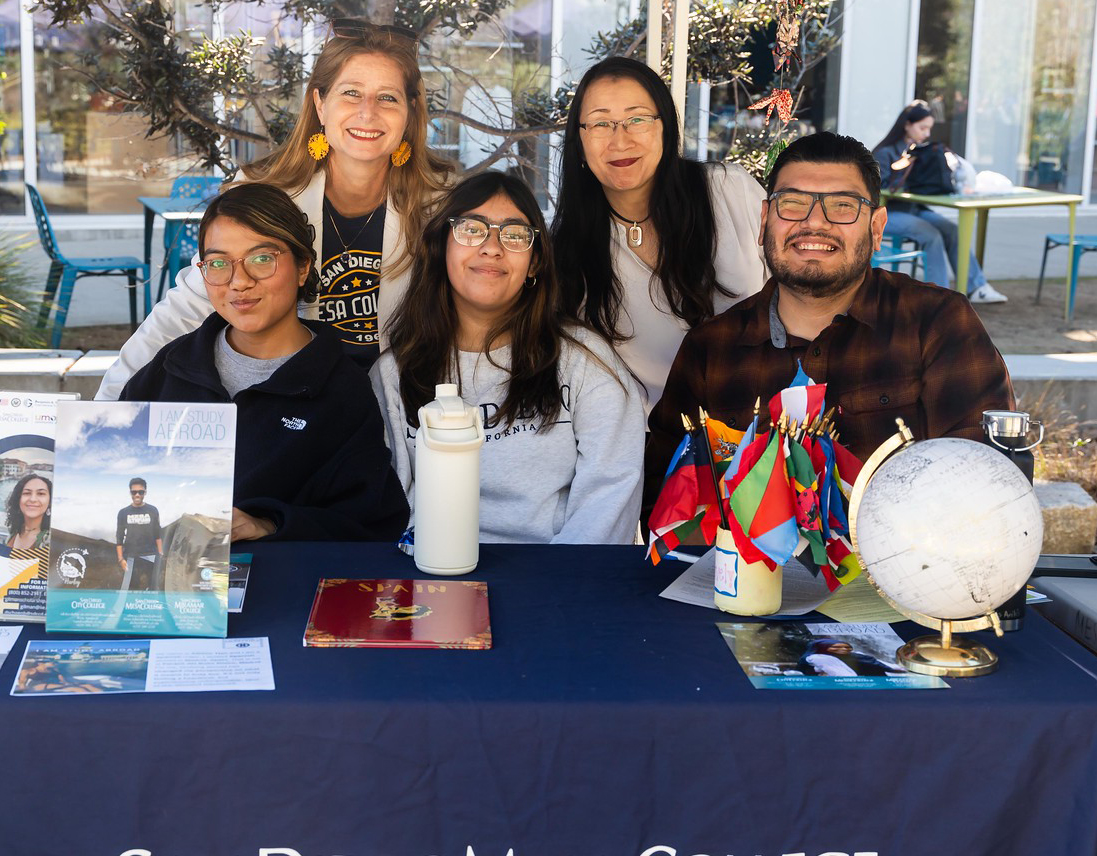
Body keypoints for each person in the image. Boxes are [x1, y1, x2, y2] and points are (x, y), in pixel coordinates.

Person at [644, 131, 1014, 522]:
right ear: (764, 222)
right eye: (793, 204)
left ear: (876, 228)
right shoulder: (710, 350)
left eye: (842, 206)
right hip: (742, 581)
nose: (814, 223)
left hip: (899, 578)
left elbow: (984, 484)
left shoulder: (936, 324)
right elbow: (664, 506)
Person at [97, 21, 450, 398]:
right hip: (285, 404)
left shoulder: (442, 203)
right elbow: (193, 305)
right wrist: (108, 409)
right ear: (320, 104)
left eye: (387, 98)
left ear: (410, 111)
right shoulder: (263, 191)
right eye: (351, 93)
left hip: (401, 408)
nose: (368, 113)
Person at [120, 184, 409, 544]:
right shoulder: (169, 370)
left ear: (303, 266)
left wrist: (271, 525)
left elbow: (368, 524)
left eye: (261, 259)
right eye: (219, 264)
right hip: (169, 590)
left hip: (283, 591)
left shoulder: (341, 392)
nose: (239, 282)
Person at [373, 169, 645, 545]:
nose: (491, 247)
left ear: (534, 263)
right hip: (430, 575)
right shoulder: (394, 373)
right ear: (441, 248)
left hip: (551, 581)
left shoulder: (586, 362)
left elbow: (611, 492)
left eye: (515, 235)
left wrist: (553, 592)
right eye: (471, 229)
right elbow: (389, 507)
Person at [551, 57, 765, 411]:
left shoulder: (730, 191)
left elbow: (797, 295)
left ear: (665, 127)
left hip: (764, 435)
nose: (620, 140)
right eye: (601, 123)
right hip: (653, 450)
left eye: (637, 119)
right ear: (580, 143)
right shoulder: (568, 252)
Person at [874, 101, 1006, 304]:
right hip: (887, 213)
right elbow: (876, 189)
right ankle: (938, 298)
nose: (927, 134)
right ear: (907, 125)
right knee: (932, 235)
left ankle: (977, 287)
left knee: (952, 229)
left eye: (929, 128)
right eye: (922, 128)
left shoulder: (922, 152)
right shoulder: (886, 153)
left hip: (914, 209)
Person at [115, 477, 163, 592]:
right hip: (131, 556)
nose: (137, 494)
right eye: (134, 492)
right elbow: (119, 537)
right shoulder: (123, 513)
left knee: (152, 588)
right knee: (130, 589)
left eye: (140, 492)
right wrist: (120, 558)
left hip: (151, 555)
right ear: (130, 493)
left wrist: (160, 554)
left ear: (145, 492)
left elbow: (157, 533)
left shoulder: (153, 510)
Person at [2, 471, 52, 579]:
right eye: (27, 493)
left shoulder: (50, 540)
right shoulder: (12, 534)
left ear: (50, 502)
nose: (33, 499)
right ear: (18, 499)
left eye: (41, 493)